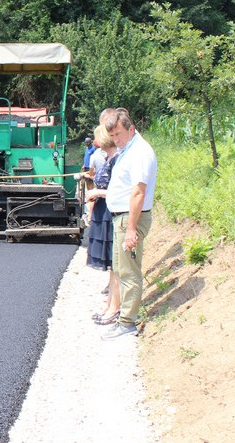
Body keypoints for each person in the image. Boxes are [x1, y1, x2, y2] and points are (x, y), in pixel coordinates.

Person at [101, 108, 157, 340]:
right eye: (112, 136)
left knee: (129, 271)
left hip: (130, 218)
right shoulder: (129, 149)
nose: (116, 140)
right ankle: (125, 317)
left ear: (131, 128)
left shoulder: (140, 153)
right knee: (122, 269)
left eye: (118, 135)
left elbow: (138, 193)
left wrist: (132, 228)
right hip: (122, 218)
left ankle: (127, 323)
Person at [84, 124, 119, 325]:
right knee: (112, 264)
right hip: (103, 209)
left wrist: (97, 193)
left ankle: (114, 307)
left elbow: (121, 190)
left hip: (109, 210)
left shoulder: (116, 159)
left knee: (116, 263)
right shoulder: (105, 157)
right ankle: (110, 304)